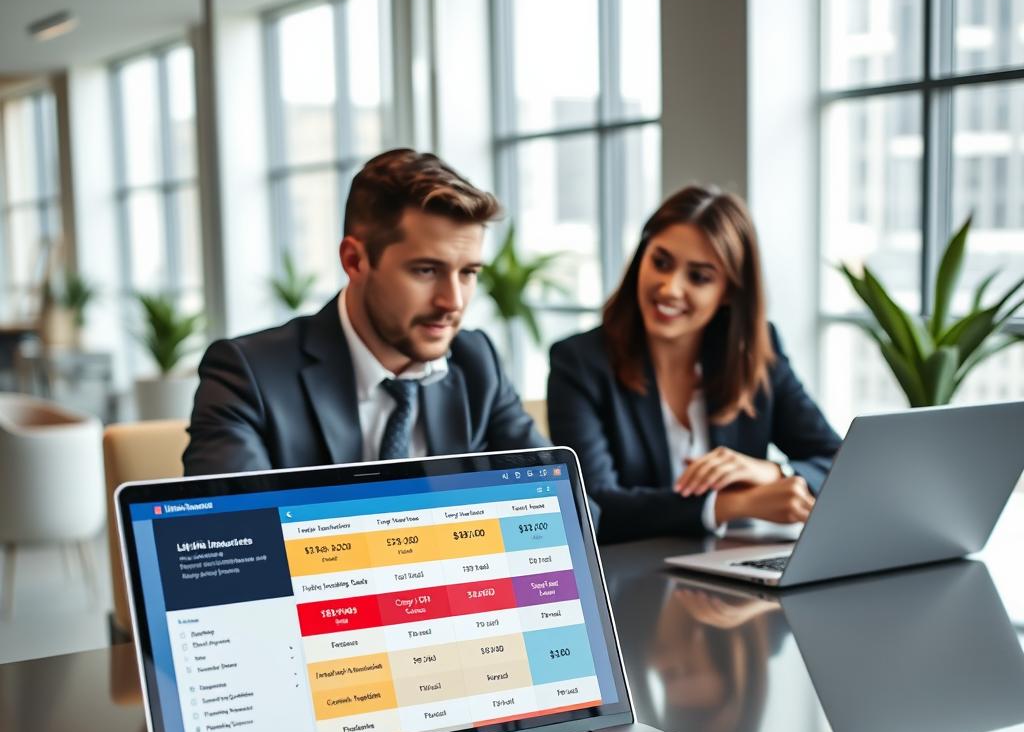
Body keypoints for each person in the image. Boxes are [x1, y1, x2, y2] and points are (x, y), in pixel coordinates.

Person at [183, 149, 545, 476]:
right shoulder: (248, 375)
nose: (452, 302)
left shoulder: (476, 361)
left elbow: (559, 500)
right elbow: (234, 524)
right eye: (426, 270)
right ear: (354, 261)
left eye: (468, 273)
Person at [547, 185, 841, 543]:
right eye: (661, 262)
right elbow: (593, 504)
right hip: (629, 569)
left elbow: (838, 461)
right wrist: (729, 504)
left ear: (729, 291)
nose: (670, 288)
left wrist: (771, 472)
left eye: (699, 277)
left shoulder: (755, 353)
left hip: (733, 562)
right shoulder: (578, 363)